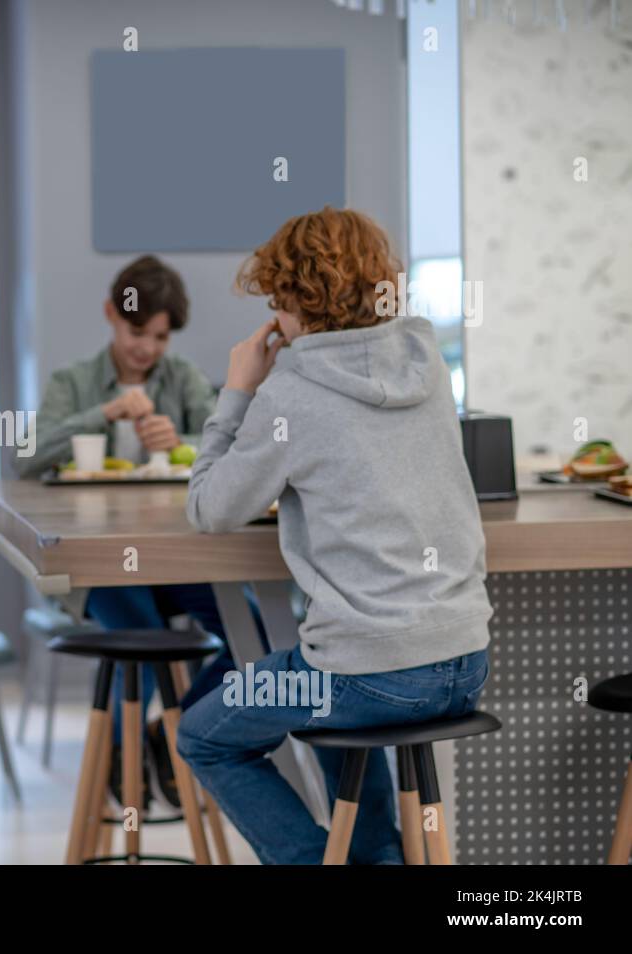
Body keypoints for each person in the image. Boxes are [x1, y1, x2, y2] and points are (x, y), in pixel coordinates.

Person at [176, 207, 492, 864]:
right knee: (339, 675)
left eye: (275, 300)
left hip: (362, 678)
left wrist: (237, 392)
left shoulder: (291, 388)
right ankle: (372, 855)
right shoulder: (425, 358)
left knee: (205, 734)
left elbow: (210, 508)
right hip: (465, 662)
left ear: (291, 299)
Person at [17, 255, 244, 808]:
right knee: (144, 641)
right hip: (101, 566)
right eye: (136, 331)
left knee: (250, 634)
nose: (146, 348)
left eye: (160, 337)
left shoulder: (183, 380)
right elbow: (27, 458)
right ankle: (130, 765)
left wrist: (185, 441)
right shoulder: (74, 383)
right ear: (111, 316)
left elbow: (228, 453)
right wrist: (104, 413)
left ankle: (171, 735)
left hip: (172, 559)